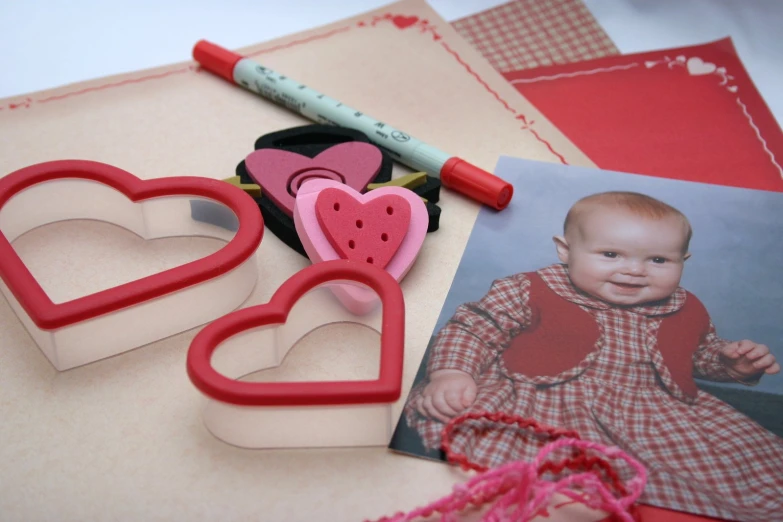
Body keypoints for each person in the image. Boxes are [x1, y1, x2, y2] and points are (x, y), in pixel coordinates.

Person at [404, 191, 783, 521]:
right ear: (566, 251)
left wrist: (731, 363)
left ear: (684, 259)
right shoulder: (529, 289)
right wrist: (452, 372)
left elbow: (695, 354)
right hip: (544, 400)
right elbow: (475, 329)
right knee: (529, 473)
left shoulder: (686, 307)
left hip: (655, 410)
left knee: (721, 471)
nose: (634, 270)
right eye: (611, 254)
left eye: (658, 261)